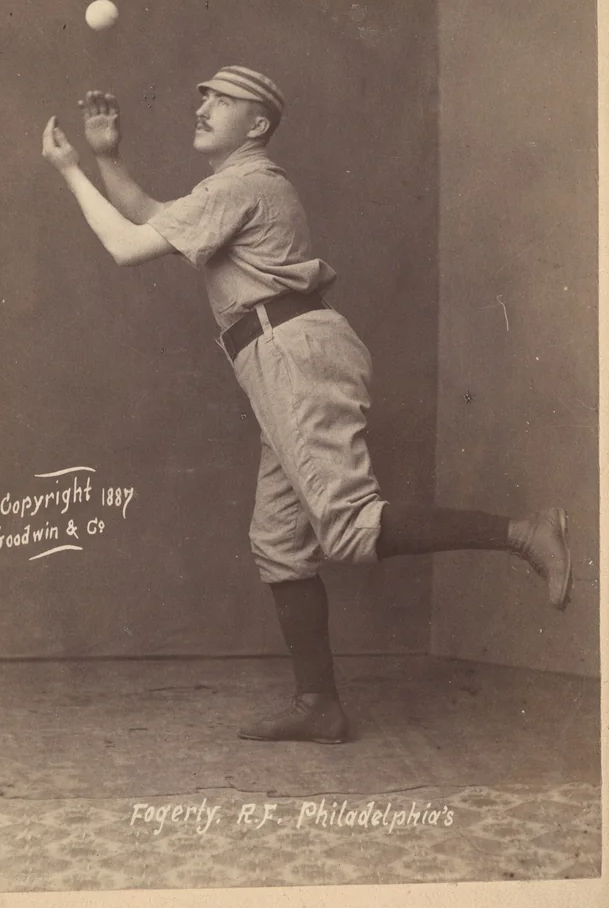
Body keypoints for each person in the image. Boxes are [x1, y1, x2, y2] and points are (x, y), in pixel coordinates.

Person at [41, 65, 572, 745]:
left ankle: (525, 533)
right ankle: (319, 705)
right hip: (280, 356)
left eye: (223, 100)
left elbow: (124, 246)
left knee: (346, 525)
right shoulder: (233, 188)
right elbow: (151, 216)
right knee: (280, 542)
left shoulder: (243, 185)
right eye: (204, 97)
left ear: (257, 124)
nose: (203, 107)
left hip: (292, 354)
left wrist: (69, 169)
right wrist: (108, 157)